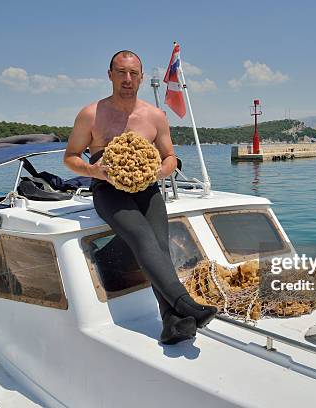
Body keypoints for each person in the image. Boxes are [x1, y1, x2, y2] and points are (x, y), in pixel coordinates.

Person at [63, 50, 216, 345]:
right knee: (142, 236)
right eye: (121, 72)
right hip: (107, 190)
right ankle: (186, 306)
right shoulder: (91, 114)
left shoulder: (154, 116)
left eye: (133, 74)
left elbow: (170, 157)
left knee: (161, 246)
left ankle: (172, 323)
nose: (127, 79)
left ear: (142, 78)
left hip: (147, 189)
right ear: (110, 75)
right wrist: (93, 169)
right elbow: (70, 157)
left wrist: (158, 172)